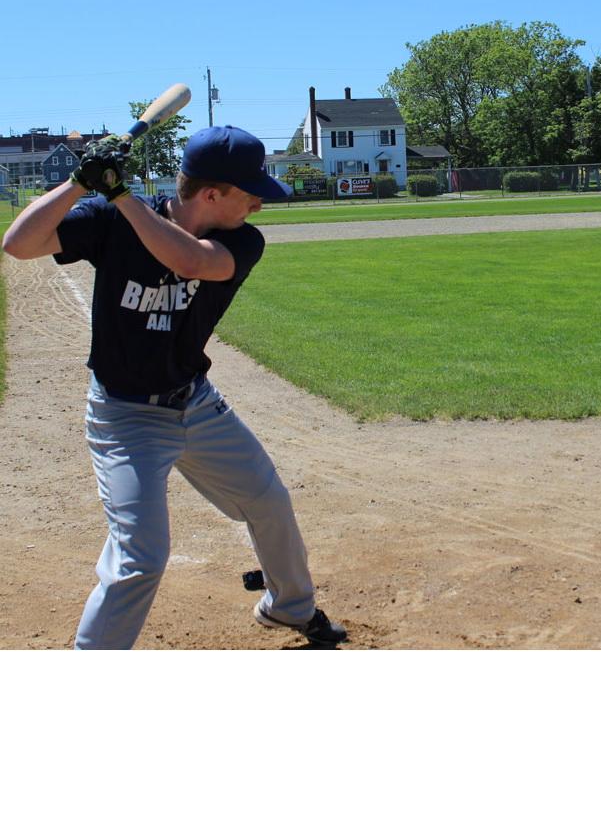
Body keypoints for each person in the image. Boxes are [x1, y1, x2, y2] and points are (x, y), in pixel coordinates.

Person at [2, 125, 346, 650]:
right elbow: (18, 244)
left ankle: (288, 607)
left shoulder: (241, 240)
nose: (258, 204)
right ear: (212, 193)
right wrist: (78, 182)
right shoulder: (110, 221)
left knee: (269, 501)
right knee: (140, 556)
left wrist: (119, 195)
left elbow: (190, 261)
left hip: (196, 404)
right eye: (250, 193)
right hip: (126, 418)